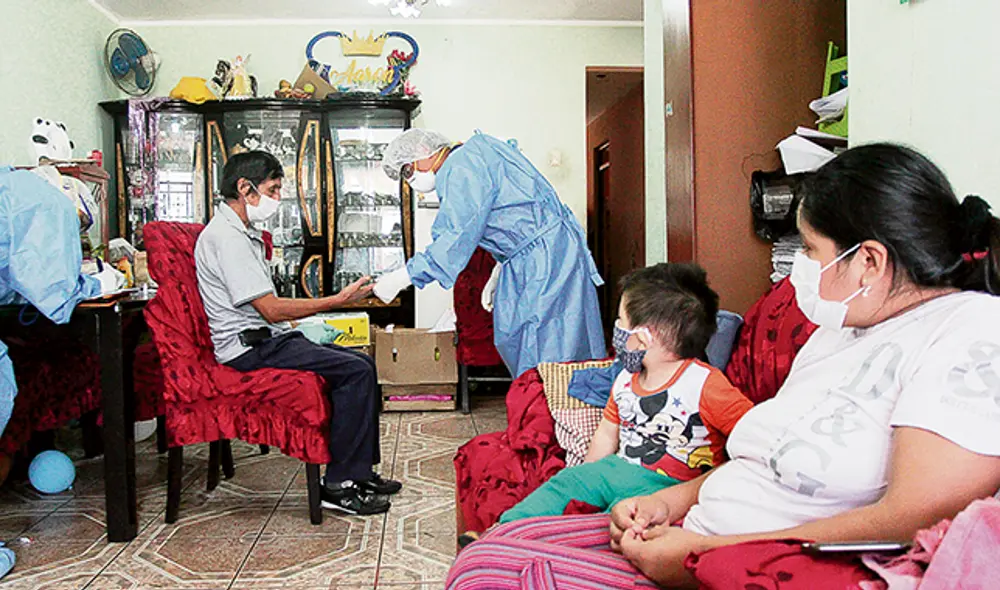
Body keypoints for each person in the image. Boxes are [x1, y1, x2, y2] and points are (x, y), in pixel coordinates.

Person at [445, 143, 1000, 589]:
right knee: (487, 559)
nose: (796, 271)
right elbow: (763, 463)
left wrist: (702, 553)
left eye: (808, 251)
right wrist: (667, 501)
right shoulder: (842, 332)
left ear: (870, 261)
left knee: (487, 579)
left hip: (727, 560)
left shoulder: (969, 331)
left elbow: (913, 516)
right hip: (693, 530)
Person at [194, 151, 401, 516]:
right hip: (248, 349)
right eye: (273, 189)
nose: (277, 198)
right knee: (356, 371)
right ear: (245, 188)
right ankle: (337, 485)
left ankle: (360, 472)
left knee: (359, 362)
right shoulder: (226, 238)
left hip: (267, 338)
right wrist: (337, 301)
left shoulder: (242, 233)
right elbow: (270, 308)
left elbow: (267, 310)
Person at [491, 263, 752, 527]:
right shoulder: (626, 378)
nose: (616, 330)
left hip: (668, 488)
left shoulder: (705, 384)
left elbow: (752, 430)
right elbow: (607, 432)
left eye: (621, 323)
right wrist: (586, 473)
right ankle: (506, 528)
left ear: (644, 337)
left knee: (618, 519)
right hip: (618, 469)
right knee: (564, 483)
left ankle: (564, 546)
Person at [375, 129, 606, 378]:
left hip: (545, 260)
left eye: (408, 171)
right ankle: (538, 408)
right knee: (523, 336)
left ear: (424, 151)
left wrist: (403, 277)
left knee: (550, 345)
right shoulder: (476, 152)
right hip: (534, 255)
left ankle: (553, 411)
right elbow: (509, 215)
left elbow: (454, 238)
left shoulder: (460, 167)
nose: (411, 180)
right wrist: (501, 265)